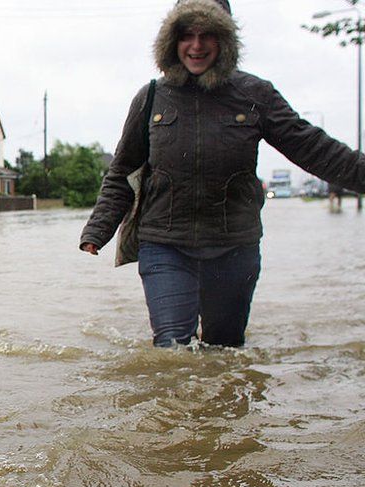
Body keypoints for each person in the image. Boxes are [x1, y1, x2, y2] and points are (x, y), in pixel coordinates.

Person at [79, 0, 365, 348]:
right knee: (173, 348)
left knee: (225, 350)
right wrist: (98, 229)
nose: (196, 46)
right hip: (165, 244)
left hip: (234, 246)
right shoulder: (152, 97)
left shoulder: (255, 94)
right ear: (172, 39)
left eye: (208, 35)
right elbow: (122, 170)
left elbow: (315, 149)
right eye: (187, 35)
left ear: (225, 39)